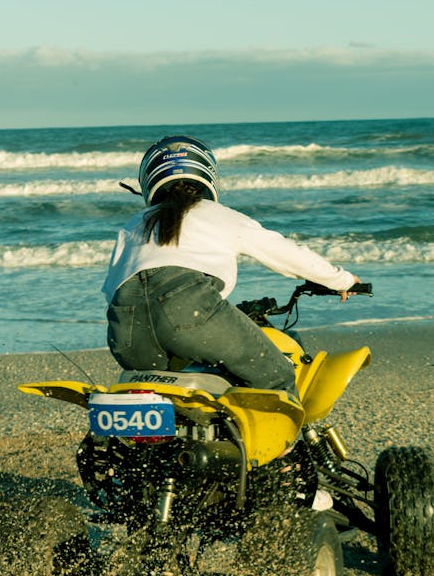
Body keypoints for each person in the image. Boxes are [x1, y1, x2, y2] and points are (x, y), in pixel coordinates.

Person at [103, 134, 361, 398]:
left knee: (165, 392)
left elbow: (112, 289)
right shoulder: (219, 214)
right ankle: (284, 440)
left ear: (149, 180)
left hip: (125, 330)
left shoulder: (134, 224)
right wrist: (341, 280)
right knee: (277, 376)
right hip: (188, 313)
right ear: (207, 173)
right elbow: (286, 253)